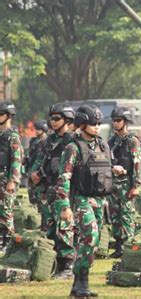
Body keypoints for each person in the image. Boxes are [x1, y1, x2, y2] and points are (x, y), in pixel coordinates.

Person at [55, 104, 113, 297]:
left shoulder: (103, 145)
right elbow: (64, 177)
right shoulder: (73, 148)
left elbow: (103, 170)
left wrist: (117, 170)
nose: (97, 126)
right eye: (92, 123)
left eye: (99, 123)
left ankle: (80, 284)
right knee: (90, 237)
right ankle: (81, 282)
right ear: (81, 124)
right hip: (81, 200)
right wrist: (64, 206)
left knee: (92, 244)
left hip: (99, 201)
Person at [30, 103, 76, 278]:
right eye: (52, 118)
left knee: (65, 227)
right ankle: (54, 263)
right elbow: (41, 160)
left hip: (65, 191)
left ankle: (67, 266)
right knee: (49, 228)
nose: (53, 121)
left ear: (67, 120)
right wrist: (34, 173)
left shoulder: (72, 140)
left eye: (57, 118)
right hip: (48, 189)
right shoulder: (49, 140)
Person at [108, 106, 141, 258]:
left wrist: (136, 185)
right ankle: (119, 245)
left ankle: (128, 246)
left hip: (127, 184)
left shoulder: (132, 141)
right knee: (115, 215)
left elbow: (137, 164)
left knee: (127, 215)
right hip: (113, 183)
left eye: (118, 120)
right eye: (114, 120)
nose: (115, 123)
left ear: (126, 121)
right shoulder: (111, 141)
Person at [0, 102, 23, 252]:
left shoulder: (12, 137)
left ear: (8, 116)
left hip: (6, 179)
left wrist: (12, 181)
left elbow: (17, 160)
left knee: (6, 210)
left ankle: (8, 239)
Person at [25, 120, 48, 207]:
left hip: (40, 171)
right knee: (31, 192)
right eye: (36, 129)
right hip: (31, 167)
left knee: (39, 192)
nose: (36, 131)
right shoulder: (33, 141)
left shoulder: (46, 141)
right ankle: (34, 206)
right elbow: (30, 153)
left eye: (39, 129)